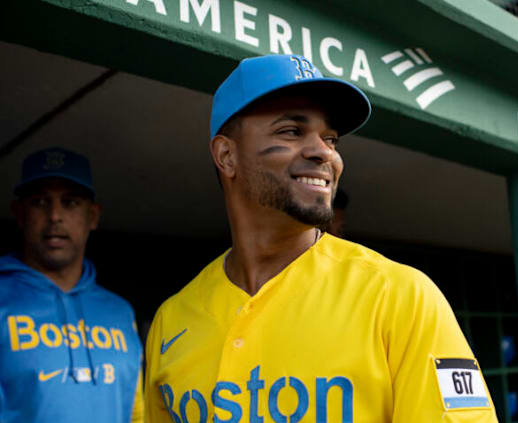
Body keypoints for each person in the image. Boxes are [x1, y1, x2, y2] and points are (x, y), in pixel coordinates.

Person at [144, 54, 498, 422]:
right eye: (292, 131)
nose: (324, 152)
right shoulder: (171, 321)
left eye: (330, 139)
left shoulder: (400, 296)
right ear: (226, 156)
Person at [0, 147, 143, 422]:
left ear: (93, 216)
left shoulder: (120, 313)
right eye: (40, 202)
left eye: (71, 202)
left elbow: (137, 413)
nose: (55, 215)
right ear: (19, 214)